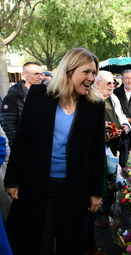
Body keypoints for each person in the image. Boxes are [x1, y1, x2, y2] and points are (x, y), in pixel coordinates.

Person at [4, 48, 106, 254]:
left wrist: (97, 192)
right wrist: (12, 180)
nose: (91, 78)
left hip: (75, 186)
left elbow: (97, 151)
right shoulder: (39, 95)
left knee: (70, 244)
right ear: (69, 71)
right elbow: (23, 139)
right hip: (36, 183)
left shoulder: (94, 105)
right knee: (39, 242)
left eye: (94, 73)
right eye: (86, 72)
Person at [92, 70, 130, 229]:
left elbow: (120, 115)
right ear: (97, 83)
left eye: (113, 83)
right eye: (108, 84)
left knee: (113, 180)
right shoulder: (91, 99)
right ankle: (99, 214)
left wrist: (126, 125)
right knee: (100, 182)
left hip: (115, 146)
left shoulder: (113, 97)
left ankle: (107, 212)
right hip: (99, 148)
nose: (112, 86)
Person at [0, 62, 43, 148]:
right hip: (22, 147)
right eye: (36, 74)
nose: (40, 77)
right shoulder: (12, 96)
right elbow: (8, 126)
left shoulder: (44, 94)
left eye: (42, 74)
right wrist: (17, 148)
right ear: (25, 75)